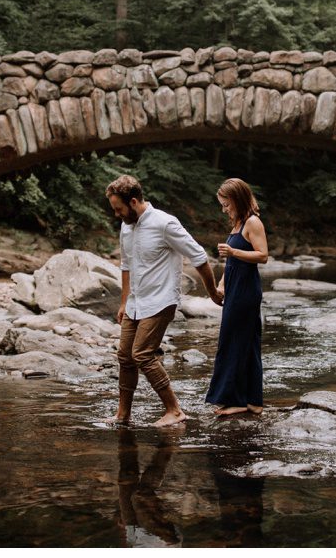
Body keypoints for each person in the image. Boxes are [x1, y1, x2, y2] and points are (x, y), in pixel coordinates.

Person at [105, 174, 219, 427]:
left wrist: (211, 292)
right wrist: (124, 302)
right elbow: (126, 265)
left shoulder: (165, 223)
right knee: (125, 356)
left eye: (119, 209)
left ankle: (175, 410)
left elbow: (199, 256)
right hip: (136, 302)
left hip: (160, 300)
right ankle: (123, 414)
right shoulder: (127, 226)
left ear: (133, 202)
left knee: (142, 354)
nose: (116, 215)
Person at [205, 178, 268, 416]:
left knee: (234, 342)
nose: (224, 209)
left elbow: (263, 256)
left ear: (238, 199)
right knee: (246, 342)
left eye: (226, 204)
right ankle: (253, 401)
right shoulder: (238, 224)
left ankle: (237, 400)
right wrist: (221, 286)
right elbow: (231, 263)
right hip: (234, 288)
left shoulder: (253, 222)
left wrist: (233, 251)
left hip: (246, 291)